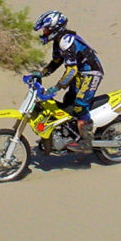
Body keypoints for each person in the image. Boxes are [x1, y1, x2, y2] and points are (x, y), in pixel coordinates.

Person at [31, 9, 104, 154]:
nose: (44, 32)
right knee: (68, 102)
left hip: (90, 72)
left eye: (46, 29)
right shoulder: (58, 41)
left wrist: (57, 87)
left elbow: (72, 70)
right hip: (80, 74)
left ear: (54, 28)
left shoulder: (66, 41)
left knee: (79, 106)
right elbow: (57, 61)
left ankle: (86, 142)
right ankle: (71, 135)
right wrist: (41, 74)